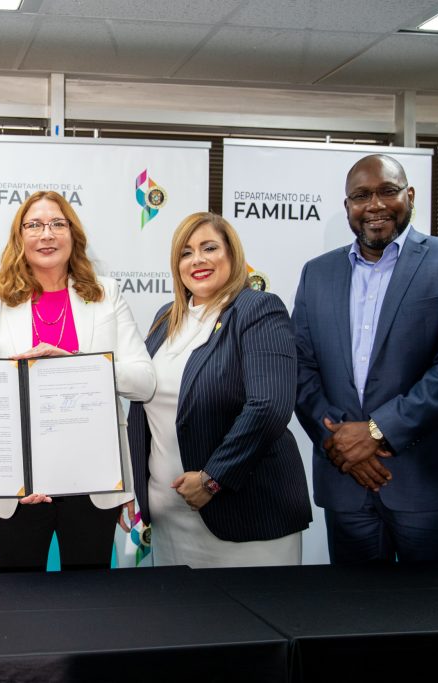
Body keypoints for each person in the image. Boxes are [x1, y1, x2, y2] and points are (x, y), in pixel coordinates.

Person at [293, 153, 438, 563]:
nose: (375, 205)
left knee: (430, 616)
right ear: (347, 205)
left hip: (425, 480)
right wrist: (338, 442)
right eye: (361, 196)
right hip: (345, 479)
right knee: (354, 617)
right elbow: (299, 367)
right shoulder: (318, 272)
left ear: (410, 195)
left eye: (388, 191)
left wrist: (376, 431)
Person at [0, 191, 155, 573]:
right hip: (19, 484)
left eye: (57, 224)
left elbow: (144, 382)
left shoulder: (105, 295)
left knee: (89, 602)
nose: (46, 234)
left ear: (73, 235)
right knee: (18, 602)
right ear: (20, 238)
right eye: (34, 225)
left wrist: (80, 367)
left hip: (93, 478)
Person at [127, 212, 311, 568]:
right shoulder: (167, 318)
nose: (197, 260)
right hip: (169, 518)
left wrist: (213, 479)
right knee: (180, 623)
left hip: (242, 513)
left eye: (209, 248)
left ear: (232, 255)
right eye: (186, 252)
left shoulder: (257, 310)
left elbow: (269, 406)